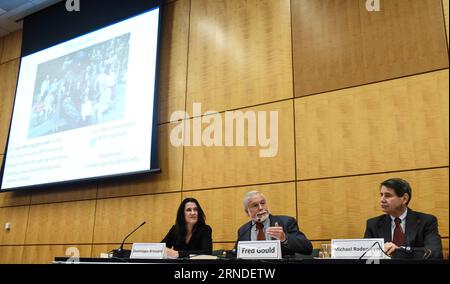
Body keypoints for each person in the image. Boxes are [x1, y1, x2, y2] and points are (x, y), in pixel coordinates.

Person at [364, 178, 443, 259]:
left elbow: (434, 253)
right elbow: (365, 256)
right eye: (381, 195)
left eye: (388, 195)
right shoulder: (373, 224)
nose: (382, 200)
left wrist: (399, 251)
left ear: (404, 199)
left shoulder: (426, 221)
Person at [235, 191, 313, 257]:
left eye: (263, 203)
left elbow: (307, 248)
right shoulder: (243, 230)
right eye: (255, 205)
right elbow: (235, 254)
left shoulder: (286, 222)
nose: (261, 208)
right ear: (247, 212)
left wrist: (284, 238)